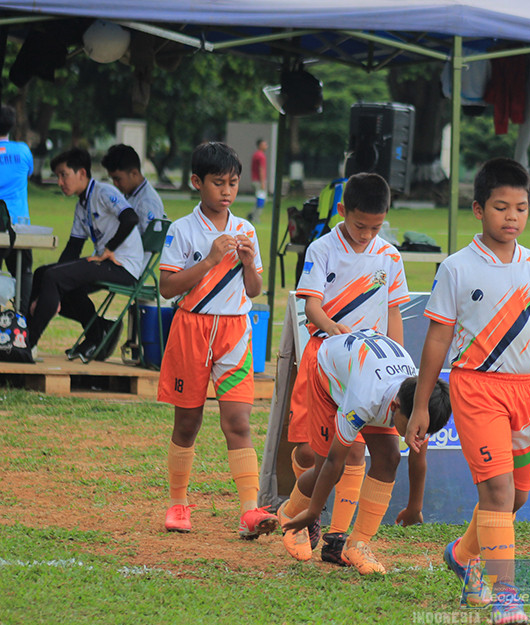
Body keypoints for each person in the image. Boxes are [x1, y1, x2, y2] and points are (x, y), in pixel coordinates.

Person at [405, 157, 530, 625]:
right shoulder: (457, 269)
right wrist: (421, 405)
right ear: (478, 209)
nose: (512, 217)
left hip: (528, 391)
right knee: (498, 491)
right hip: (475, 389)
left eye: (521, 208)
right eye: (501, 207)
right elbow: (437, 340)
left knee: (516, 497)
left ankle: (462, 554)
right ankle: (507, 596)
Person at [279, 172, 423, 566]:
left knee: (382, 454)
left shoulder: (390, 256)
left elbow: (395, 313)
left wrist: (398, 366)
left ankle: (346, 542)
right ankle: (296, 514)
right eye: (360, 225)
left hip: (373, 367)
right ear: (342, 211)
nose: (366, 234)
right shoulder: (322, 249)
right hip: (329, 359)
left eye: (376, 227)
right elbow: (310, 306)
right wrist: (332, 329)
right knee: (328, 457)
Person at [157, 142, 279, 540]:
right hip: (191, 330)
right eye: (217, 183)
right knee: (187, 423)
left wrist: (247, 263)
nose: (226, 191)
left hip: (234, 333)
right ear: (197, 182)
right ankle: (178, 503)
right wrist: (209, 260)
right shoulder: (182, 230)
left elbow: (256, 288)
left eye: (233, 183)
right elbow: (167, 287)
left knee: (238, 422)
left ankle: (249, 511)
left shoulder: (246, 229)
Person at [282, 329, 451, 573]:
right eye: (416, 428)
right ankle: (289, 513)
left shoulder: (421, 404)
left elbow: (417, 458)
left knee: (390, 457)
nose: (418, 435)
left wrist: (415, 507)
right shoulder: (363, 400)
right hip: (328, 374)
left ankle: (357, 543)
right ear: (395, 407)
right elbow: (333, 463)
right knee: (328, 471)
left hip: (366, 372)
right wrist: (312, 512)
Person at [28, 147, 144, 361]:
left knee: (54, 279)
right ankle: (97, 334)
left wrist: (109, 249)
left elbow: (130, 218)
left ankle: (28, 344)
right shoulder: (82, 205)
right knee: (44, 273)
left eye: (64, 175)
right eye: (57, 177)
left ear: (81, 173)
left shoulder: (103, 192)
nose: (60, 182)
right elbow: (73, 247)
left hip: (123, 266)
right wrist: (54, 282)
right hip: (105, 263)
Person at [0, 105, 35, 309]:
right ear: (12, 124)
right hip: (18, 224)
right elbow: (27, 174)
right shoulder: (23, 150)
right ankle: (21, 319)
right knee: (23, 271)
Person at [100, 144, 166, 235]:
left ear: (134, 173)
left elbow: (150, 244)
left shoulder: (146, 202)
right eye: (112, 179)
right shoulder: (129, 195)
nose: (115, 184)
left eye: (117, 179)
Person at [249, 139, 267, 223]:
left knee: (258, 199)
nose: (266, 145)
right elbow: (261, 169)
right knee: (261, 200)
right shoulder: (261, 156)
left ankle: (252, 214)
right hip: (259, 181)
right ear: (260, 145)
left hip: (254, 180)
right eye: (264, 144)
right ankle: (255, 217)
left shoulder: (255, 155)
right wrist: (263, 182)